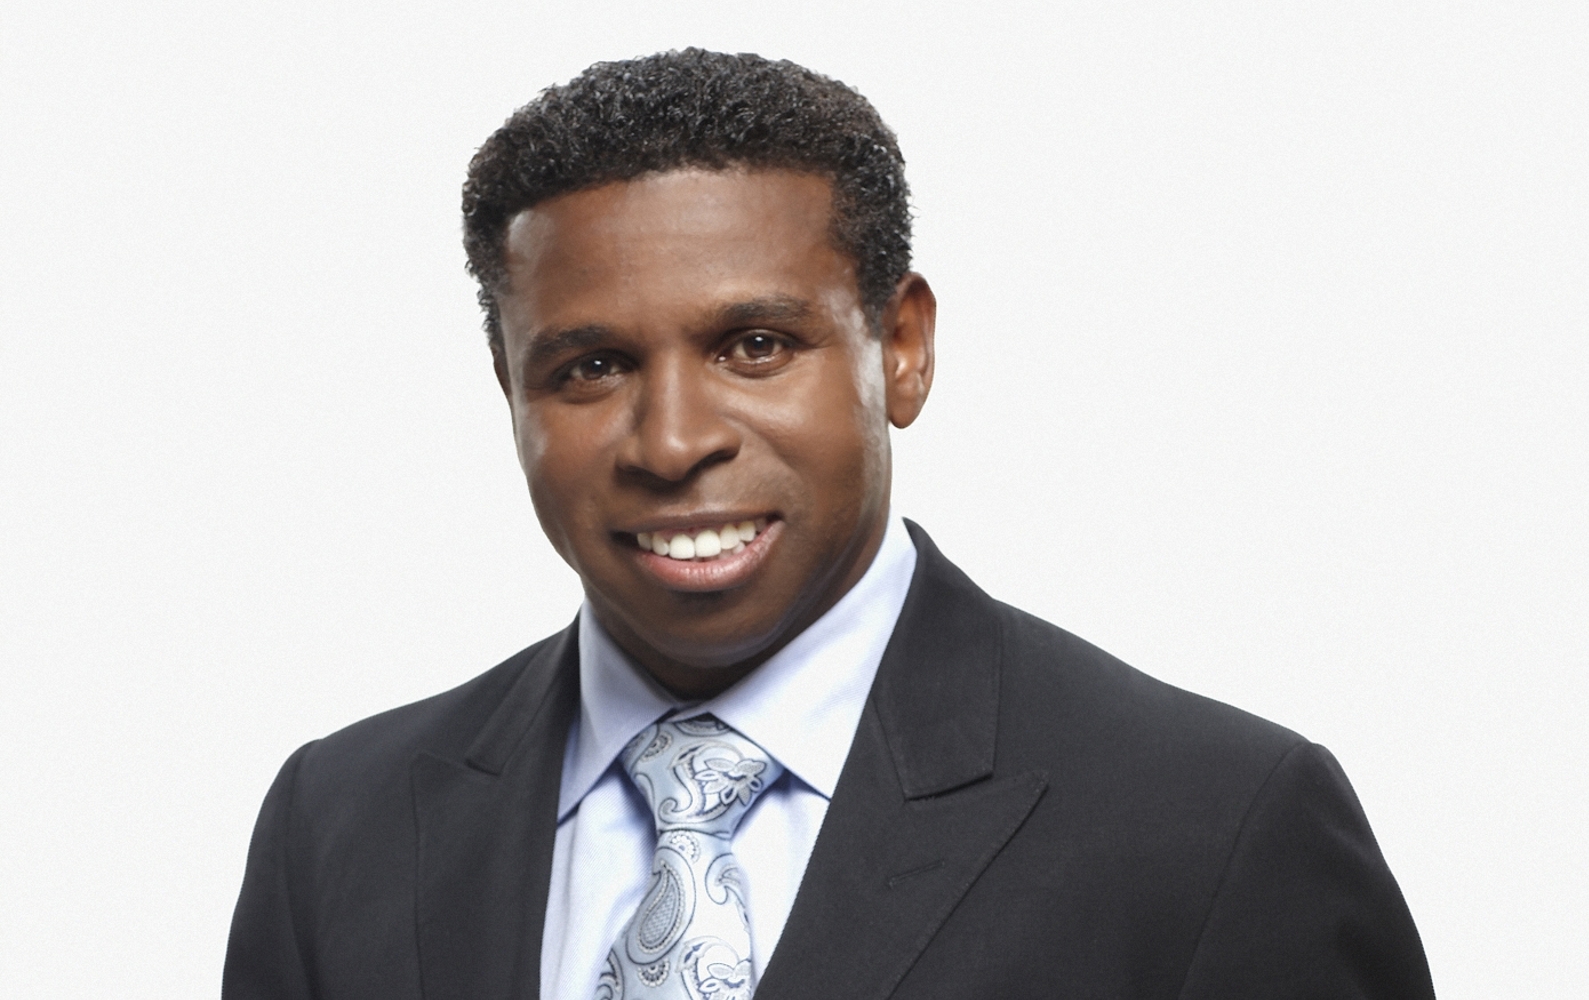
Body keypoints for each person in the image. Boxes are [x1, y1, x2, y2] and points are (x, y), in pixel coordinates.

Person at [224, 49, 1433, 1000]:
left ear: (899, 348)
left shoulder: (1211, 826)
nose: (670, 440)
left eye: (754, 346)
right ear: (509, 386)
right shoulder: (341, 830)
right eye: (590, 365)